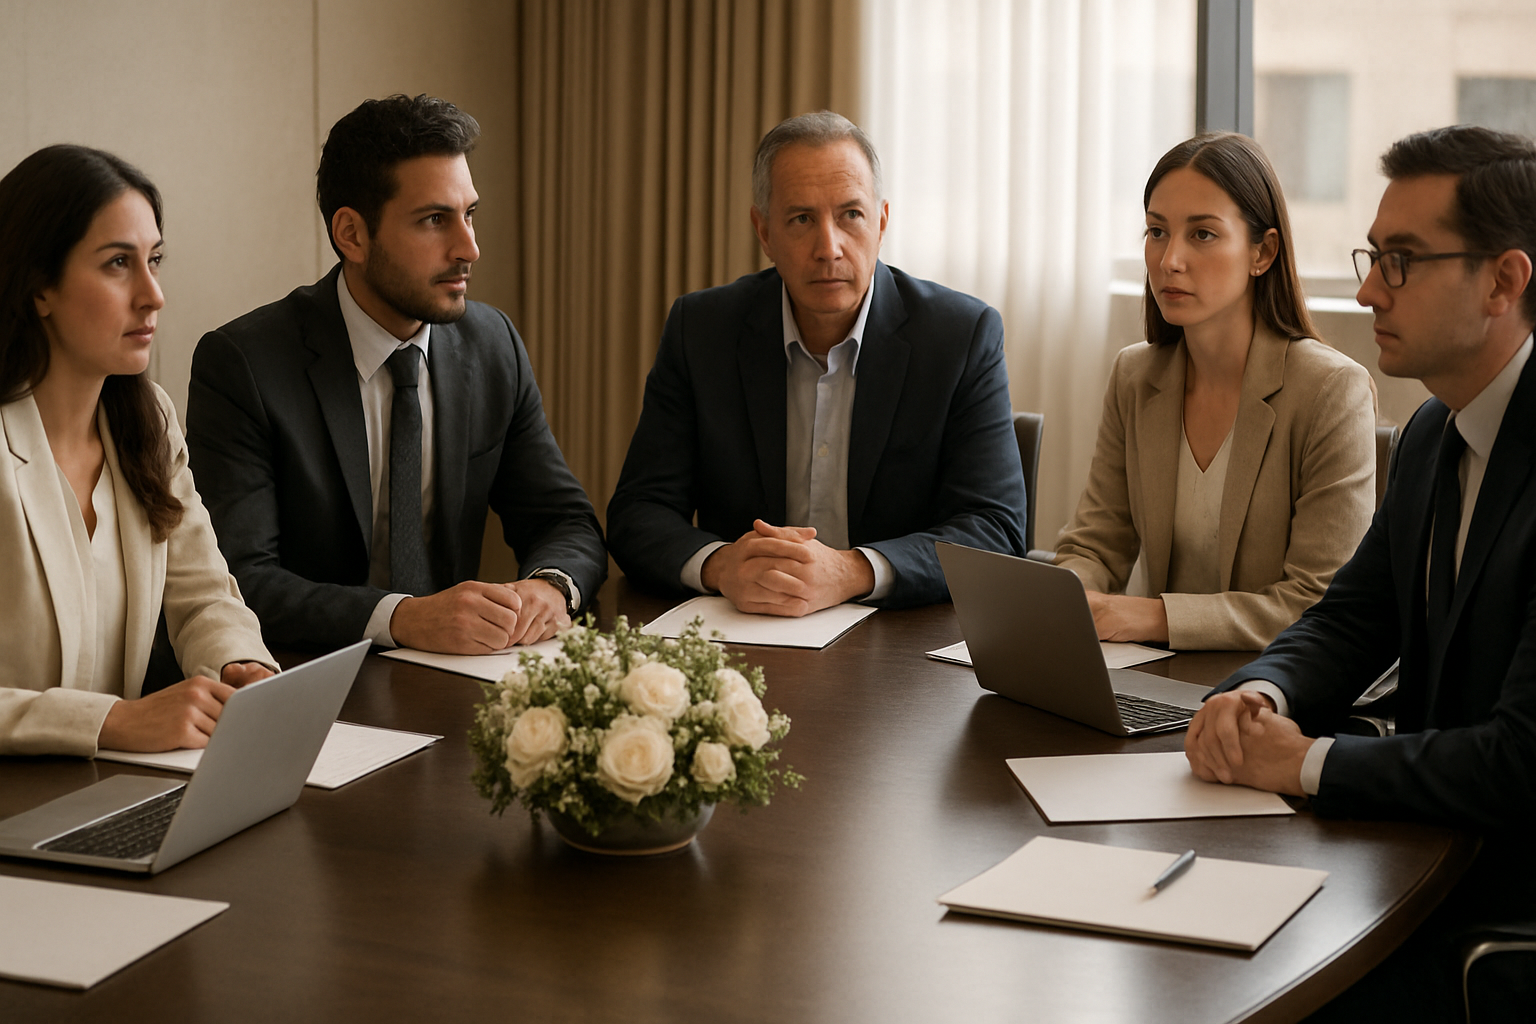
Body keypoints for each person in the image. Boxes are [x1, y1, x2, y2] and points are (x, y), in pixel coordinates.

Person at [1186, 125, 1536, 1019]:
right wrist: (1262, 693)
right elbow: (1351, 618)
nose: (1367, 288)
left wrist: (1306, 763)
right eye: (1372, 256)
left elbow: (1520, 763)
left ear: (1505, 280)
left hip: (1505, 913)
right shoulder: (1431, 431)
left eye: (1402, 261)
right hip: (1420, 850)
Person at [187, 95, 606, 654]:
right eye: (435, 220)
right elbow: (239, 580)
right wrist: (401, 618)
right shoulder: (245, 364)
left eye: (470, 214)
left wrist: (550, 587)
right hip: (312, 684)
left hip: (460, 673)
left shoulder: (492, 343)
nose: (470, 249)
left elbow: (565, 520)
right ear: (352, 235)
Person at [606, 111, 1026, 615]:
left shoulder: (960, 335)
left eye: (850, 214)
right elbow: (637, 512)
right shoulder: (702, 330)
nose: (829, 248)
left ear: (882, 221)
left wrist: (854, 571)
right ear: (764, 231)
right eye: (801, 219)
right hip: (748, 631)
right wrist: (723, 565)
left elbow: (994, 527)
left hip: (899, 643)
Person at [0, 145, 275, 757]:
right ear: (39, 285)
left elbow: (203, 595)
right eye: (118, 263)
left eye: (154, 260)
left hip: (99, 794)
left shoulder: (147, 419)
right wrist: (109, 723)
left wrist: (239, 670)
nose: (153, 295)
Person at [1053, 133, 1376, 650]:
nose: (1169, 260)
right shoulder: (1136, 376)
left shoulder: (1332, 389)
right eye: (1156, 232)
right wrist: (1067, 598)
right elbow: (1096, 542)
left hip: (1270, 692)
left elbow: (1317, 602)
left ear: (1262, 252)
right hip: (1155, 680)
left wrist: (1149, 617)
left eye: (1202, 235)